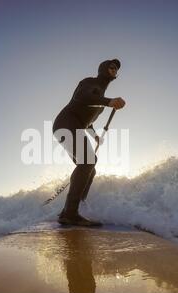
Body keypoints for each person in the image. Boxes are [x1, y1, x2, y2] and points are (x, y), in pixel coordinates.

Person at [52, 59, 126, 226]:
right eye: (111, 66)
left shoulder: (99, 100)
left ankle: (71, 210)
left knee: (90, 167)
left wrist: (95, 136)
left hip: (74, 125)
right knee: (88, 162)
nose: (114, 70)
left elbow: (88, 123)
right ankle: (70, 213)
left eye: (116, 68)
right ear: (103, 68)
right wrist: (108, 102)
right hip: (65, 123)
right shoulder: (90, 83)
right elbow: (82, 97)